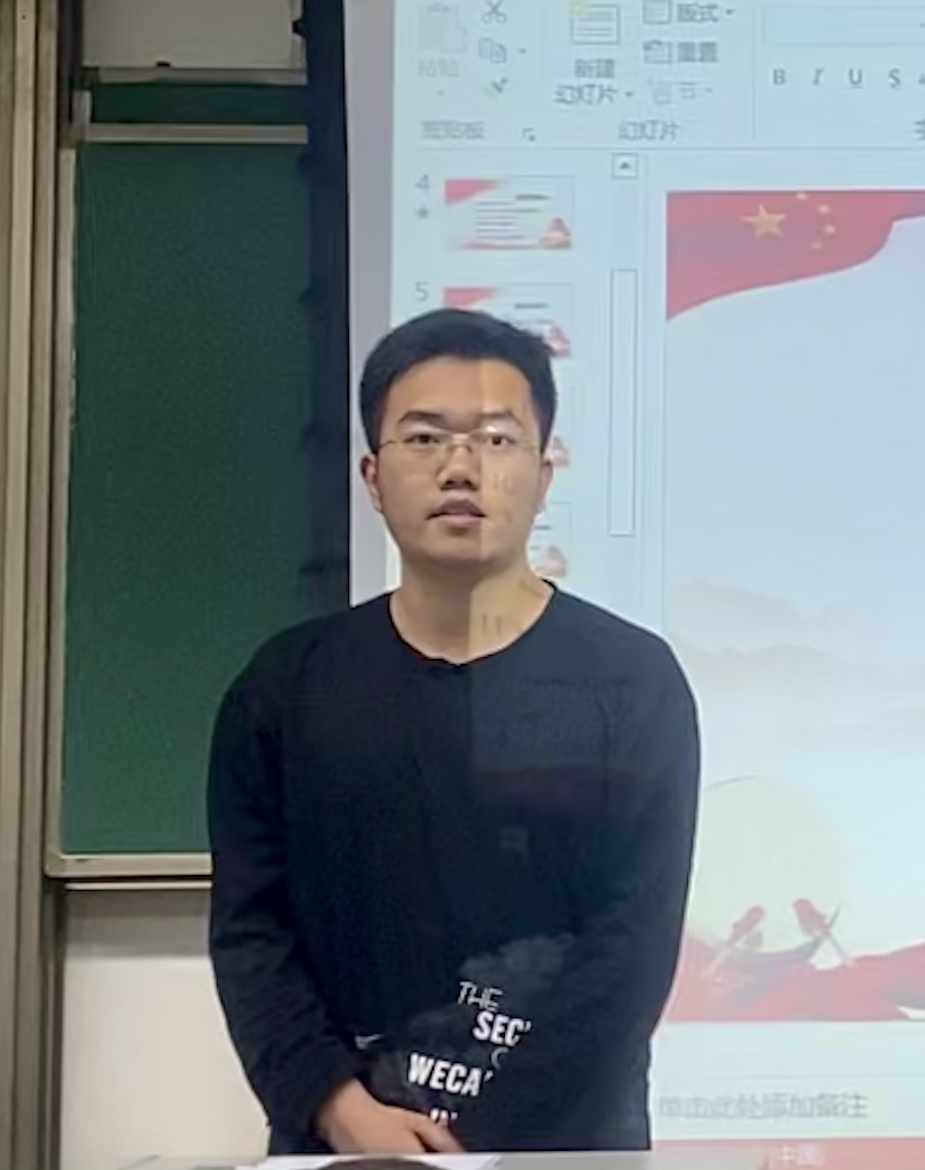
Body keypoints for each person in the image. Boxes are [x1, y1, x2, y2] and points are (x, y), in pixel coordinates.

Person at [208, 307, 700, 1155]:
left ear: (543, 476)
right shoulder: (283, 690)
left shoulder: (632, 682)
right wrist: (338, 1108)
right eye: (425, 438)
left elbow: (632, 946)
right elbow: (252, 932)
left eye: (497, 439)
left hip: (568, 1148)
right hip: (348, 1147)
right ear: (372, 476)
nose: (460, 467)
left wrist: (474, 1146)